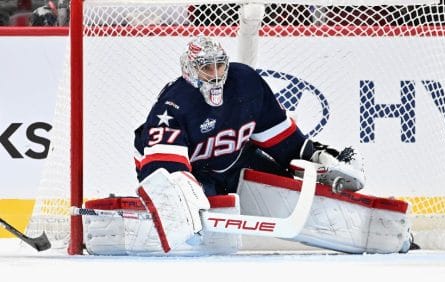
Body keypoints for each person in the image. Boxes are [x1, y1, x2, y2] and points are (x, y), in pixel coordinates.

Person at [84, 36, 413, 256]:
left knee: (294, 188)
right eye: (205, 67)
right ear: (189, 69)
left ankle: (387, 235)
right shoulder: (173, 105)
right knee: (214, 238)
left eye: (218, 65)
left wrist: (316, 156)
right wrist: (187, 200)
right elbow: (163, 173)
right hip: (194, 175)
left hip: (237, 163)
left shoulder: (247, 82)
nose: (214, 75)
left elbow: (283, 142)